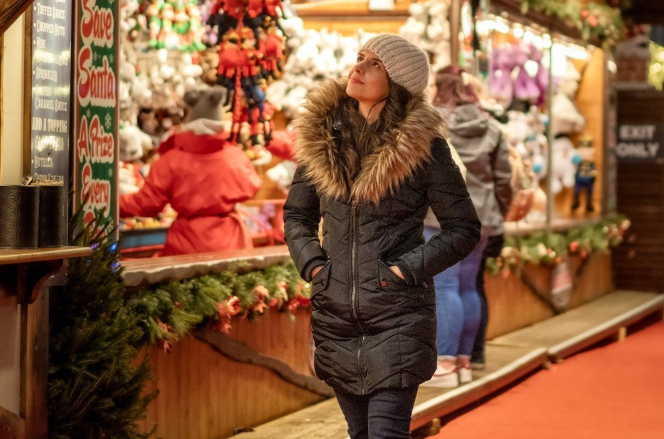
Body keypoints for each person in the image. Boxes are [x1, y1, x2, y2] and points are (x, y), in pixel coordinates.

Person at [283, 33, 481, 438]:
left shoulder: (424, 148)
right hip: (336, 317)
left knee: (385, 434)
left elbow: (464, 228)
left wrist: (405, 271)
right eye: (360, 57)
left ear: (399, 82)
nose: (358, 67)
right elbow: (296, 215)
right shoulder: (323, 141)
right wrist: (316, 268)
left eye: (374, 63)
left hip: (398, 314)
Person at [423, 66, 512, 387]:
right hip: (483, 218)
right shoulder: (491, 127)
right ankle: (463, 361)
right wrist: (497, 213)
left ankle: (444, 365)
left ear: (440, 89)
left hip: (441, 217)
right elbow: (504, 180)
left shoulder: (432, 124)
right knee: (467, 286)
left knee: (445, 287)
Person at [120, 86, 262, 256]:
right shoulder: (236, 156)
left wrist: (110, 204)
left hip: (186, 246)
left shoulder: (170, 161)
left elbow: (146, 204)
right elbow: (252, 186)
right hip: (231, 245)